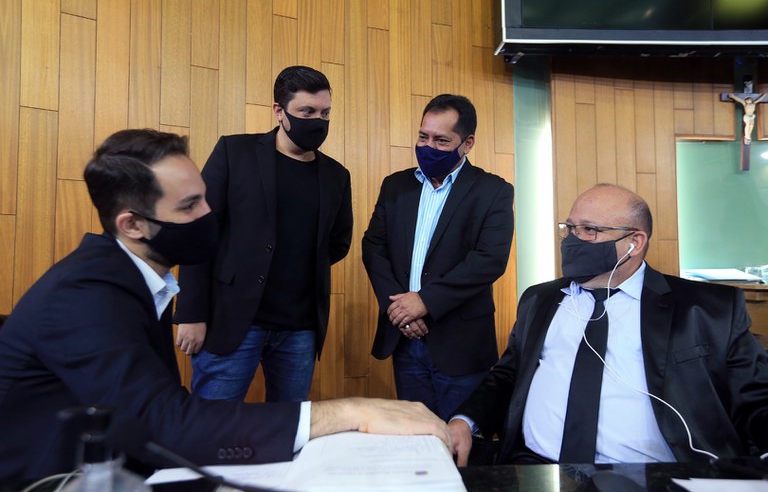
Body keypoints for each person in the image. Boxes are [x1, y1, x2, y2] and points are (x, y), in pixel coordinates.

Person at [0, 129, 449, 481]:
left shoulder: (131, 278)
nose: (209, 215)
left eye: (205, 198)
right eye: (190, 206)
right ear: (133, 224)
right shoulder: (86, 294)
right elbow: (168, 426)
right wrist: (352, 411)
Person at [449, 184, 768, 466]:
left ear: (635, 242)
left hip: (655, 475)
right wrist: (466, 421)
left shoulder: (708, 309)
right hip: (534, 466)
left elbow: (755, 398)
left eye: (590, 230)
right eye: (570, 228)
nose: (573, 240)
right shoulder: (538, 299)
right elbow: (508, 375)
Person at [174, 65, 353, 402]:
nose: (318, 121)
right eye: (307, 112)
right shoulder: (234, 152)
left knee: (289, 427)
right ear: (279, 111)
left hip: (300, 329)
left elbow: (338, 242)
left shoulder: (337, 175)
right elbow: (198, 233)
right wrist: (191, 313)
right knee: (213, 423)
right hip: (232, 319)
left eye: (325, 113)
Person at [362, 94, 515, 420]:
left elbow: (489, 259)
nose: (428, 147)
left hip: (461, 345)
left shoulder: (493, 191)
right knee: (417, 437)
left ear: (467, 143)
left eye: (441, 140)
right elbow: (373, 246)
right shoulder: (395, 186)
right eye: (423, 137)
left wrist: (424, 301)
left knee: (460, 439)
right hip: (404, 338)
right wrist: (399, 309)